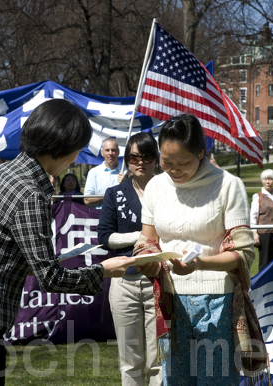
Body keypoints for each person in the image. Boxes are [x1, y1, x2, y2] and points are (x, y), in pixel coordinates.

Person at [0, 99, 135, 385]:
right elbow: (50, 278)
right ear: (61, 147)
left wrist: (19, 262)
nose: (76, 159)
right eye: (77, 150)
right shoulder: (31, 194)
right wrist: (104, 271)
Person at [136, 114, 268, 384]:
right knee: (175, 379)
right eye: (166, 161)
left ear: (201, 152)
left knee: (215, 378)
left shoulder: (228, 185)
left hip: (217, 301)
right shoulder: (155, 187)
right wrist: (144, 257)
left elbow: (243, 253)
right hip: (170, 301)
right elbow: (147, 239)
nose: (174, 169)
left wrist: (201, 264)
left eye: (182, 162)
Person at [97, 132, 162, 386]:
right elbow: (104, 237)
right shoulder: (115, 193)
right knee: (130, 362)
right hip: (124, 283)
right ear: (127, 160)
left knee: (158, 360)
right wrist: (141, 236)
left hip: (158, 281)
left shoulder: (169, 191)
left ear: (156, 159)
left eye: (147, 156)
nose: (140, 162)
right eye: (134, 156)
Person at [250, 169, 273, 271]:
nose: (267, 182)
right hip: (264, 233)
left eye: (270, 179)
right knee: (265, 261)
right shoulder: (258, 196)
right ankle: (263, 285)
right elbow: (253, 216)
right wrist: (254, 233)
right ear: (262, 181)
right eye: (265, 179)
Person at [84, 137, 122, 208]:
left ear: (118, 152)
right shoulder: (94, 172)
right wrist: (108, 195)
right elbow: (87, 200)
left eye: (113, 150)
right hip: (99, 217)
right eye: (107, 150)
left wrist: (126, 183)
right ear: (102, 153)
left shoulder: (126, 172)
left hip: (121, 217)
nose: (110, 153)